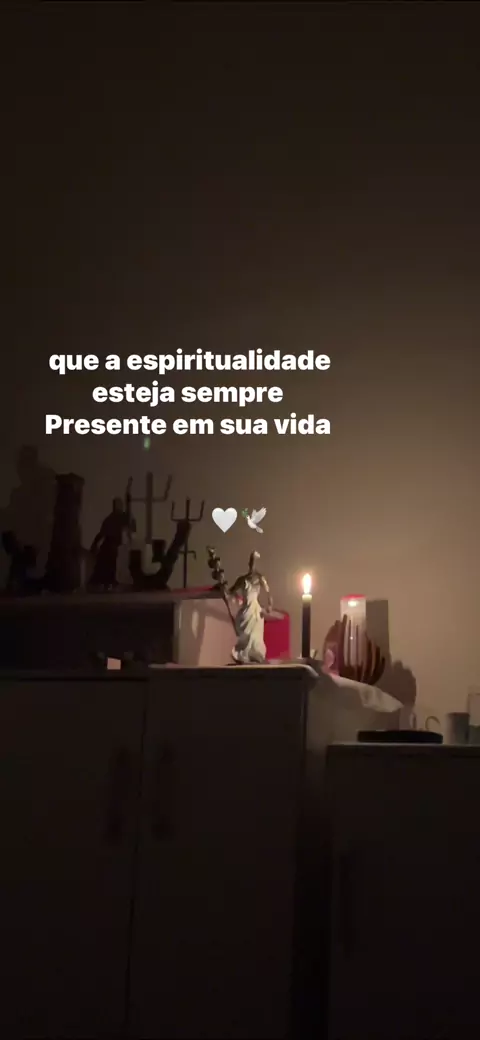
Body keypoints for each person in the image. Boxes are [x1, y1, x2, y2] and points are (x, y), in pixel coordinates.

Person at [228, 550, 273, 664]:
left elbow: (268, 592)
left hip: (255, 611)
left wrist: (269, 606)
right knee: (245, 634)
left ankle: (255, 655)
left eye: (255, 561)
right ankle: (244, 655)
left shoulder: (260, 578)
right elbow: (231, 591)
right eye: (252, 561)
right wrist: (236, 598)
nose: (253, 564)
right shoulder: (242, 579)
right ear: (249, 563)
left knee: (255, 635)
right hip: (246, 610)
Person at [89, 481, 135, 589]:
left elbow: (129, 517)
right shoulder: (112, 518)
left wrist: (128, 496)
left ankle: (106, 582)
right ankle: (105, 582)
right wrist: (94, 545)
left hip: (111, 545)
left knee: (108, 564)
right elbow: (101, 534)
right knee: (106, 564)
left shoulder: (115, 518)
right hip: (110, 545)